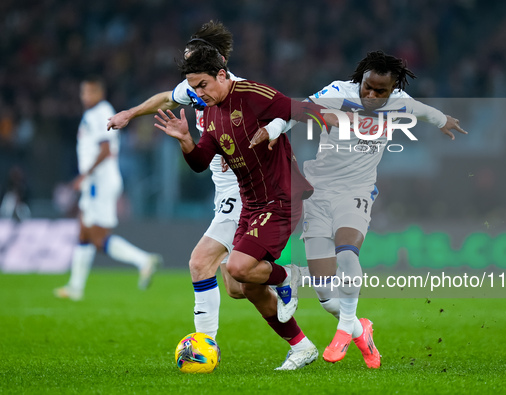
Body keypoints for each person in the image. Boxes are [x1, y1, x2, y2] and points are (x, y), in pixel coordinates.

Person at [252, 50, 467, 368]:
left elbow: (423, 111)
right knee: (327, 298)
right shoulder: (338, 92)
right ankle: (359, 328)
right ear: (360, 80)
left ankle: (343, 330)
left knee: (348, 253)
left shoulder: (399, 101)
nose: (372, 94)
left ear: (392, 89)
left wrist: (443, 121)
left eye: (381, 91)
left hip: (357, 191)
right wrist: (272, 131)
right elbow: (296, 111)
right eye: (368, 86)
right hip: (318, 192)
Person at [153, 44, 343, 370]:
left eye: (203, 85)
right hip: (252, 204)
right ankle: (302, 346)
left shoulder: (254, 94)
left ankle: (289, 276)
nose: (199, 93)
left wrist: (295, 125)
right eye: (194, 88)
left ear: (222, 75)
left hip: (282, 197)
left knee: (239, 267)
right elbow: (200, 162)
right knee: (240, 286)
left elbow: (298, 110)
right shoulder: (210, 113)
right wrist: (186, 140)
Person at [106, 21, 287, 340]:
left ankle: (205, 345)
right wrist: (130, 114)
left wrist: (264, 145)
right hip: (223, 192)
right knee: (236, 286)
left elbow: (284, 116)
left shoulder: (241, 92)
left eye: (194, 61)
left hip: (244, 192)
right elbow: (166, 98)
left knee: (201, 262)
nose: (191, 78)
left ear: (217, 65)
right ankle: (303, 331)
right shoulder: (195, 88)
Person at [54, 77, 162, 301]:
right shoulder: (92, 114)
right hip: (96, 181)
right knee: (84, 231)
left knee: (97, 236)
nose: (85, 97)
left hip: (98, 182)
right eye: (83, 92)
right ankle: (75, 287)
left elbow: (105, 149)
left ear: (99, 93)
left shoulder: (100, 112)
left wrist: (84, 175)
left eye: (90, 92)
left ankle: (143, 260)